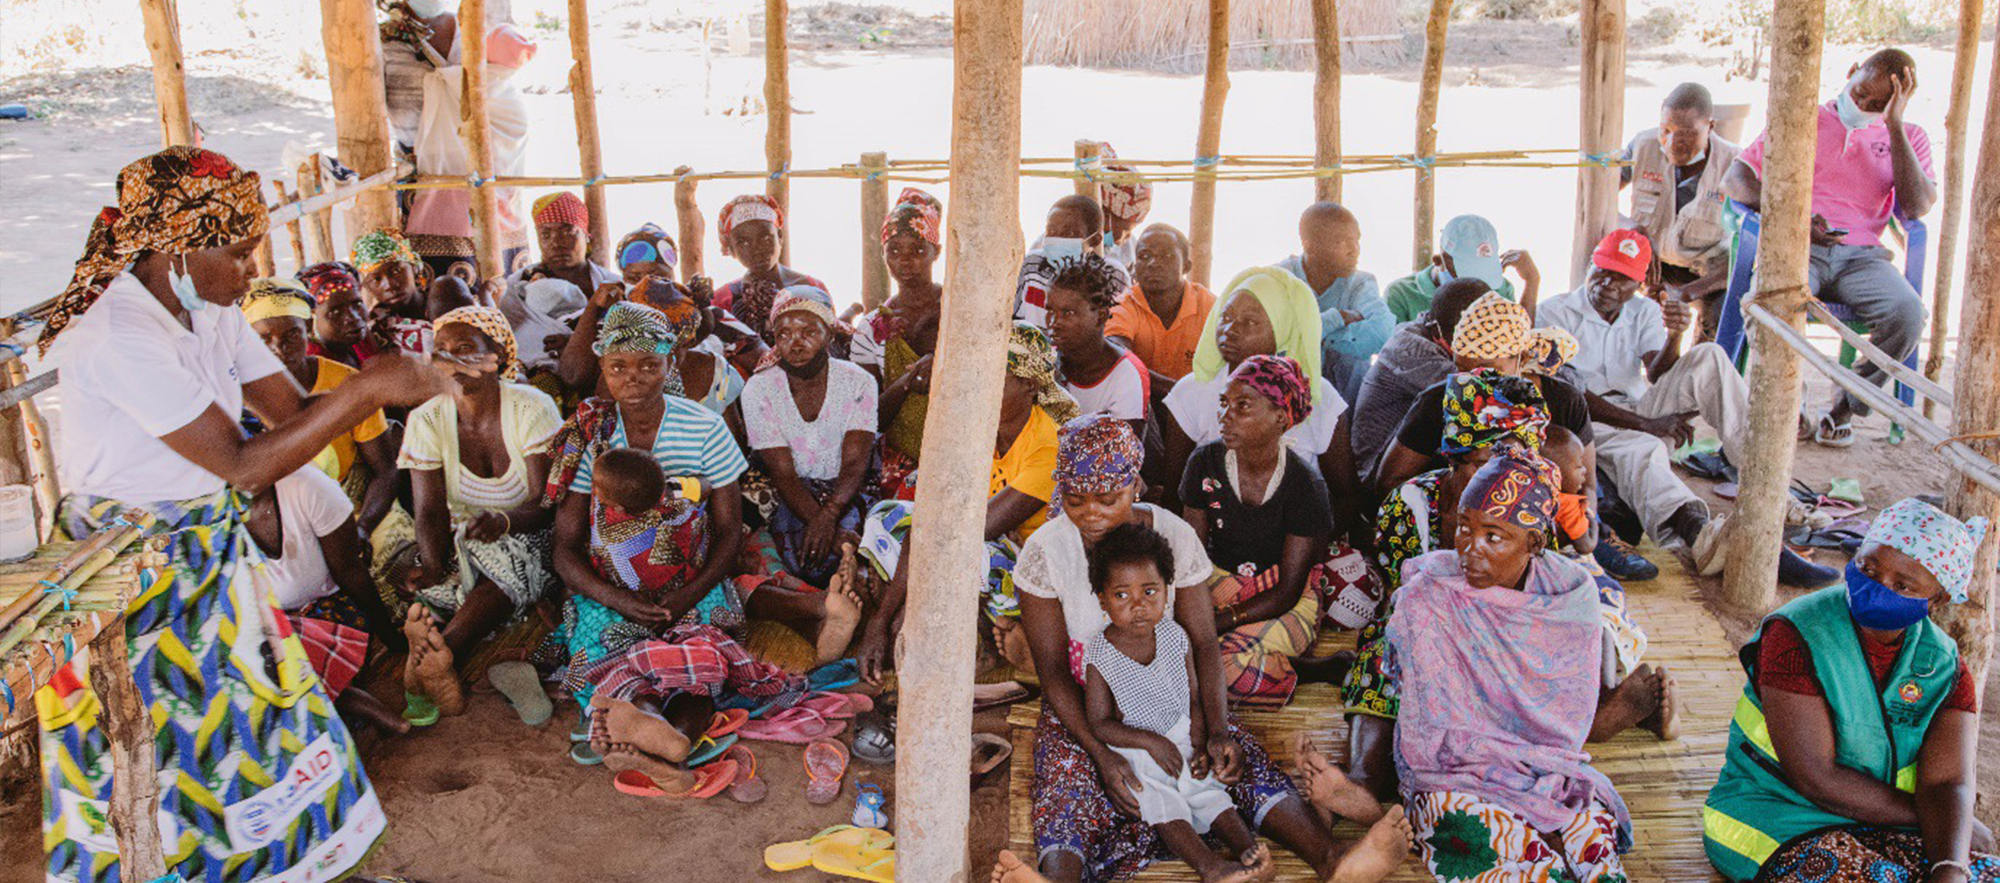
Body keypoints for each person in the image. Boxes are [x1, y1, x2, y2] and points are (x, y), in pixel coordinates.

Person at [37, 146, 447, 882]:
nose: (252, 274)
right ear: (178, 251)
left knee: (257, 726)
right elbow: (243, 462)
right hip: (129, 570)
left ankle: (297, 866)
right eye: (237, 253)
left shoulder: (207, 309)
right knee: (154, 756)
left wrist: (407, 385)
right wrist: (368, 391)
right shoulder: (118, 336)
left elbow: (289, 414)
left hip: (205, 549)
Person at [996, 414, 1409, 883]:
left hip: (1175, 699)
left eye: (1108, 498)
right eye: (1074, 499)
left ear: (1135, 486)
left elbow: (1204, 645)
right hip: (1088, 703)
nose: (1091, 513)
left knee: (1236, 762)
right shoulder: (1046, 552)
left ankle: (1332, 860)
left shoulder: (1173, 535)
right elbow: (1052, 674)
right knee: (1070, 781)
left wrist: (1215, 729)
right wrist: (1102, 752)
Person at [1705, 498, 1998, 883]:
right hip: (1777, 817)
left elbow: (1947, 782)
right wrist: (1935, 819)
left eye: (1902, 585)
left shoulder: (1943, 664)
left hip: (1883, 821)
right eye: (1868, 567)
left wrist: (1950, 867)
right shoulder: (1797, 633)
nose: (1877, 588)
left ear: (1938, 599)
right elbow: (1816, 777)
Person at [1385, 448, 1633, 881]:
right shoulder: (1428, 597)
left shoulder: (1570, 599)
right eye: (1464, 528)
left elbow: (1567, 719)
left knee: (1589, 826)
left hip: (1547, 768)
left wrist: (1531, 774)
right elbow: (1429, 729)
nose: (1470, 549)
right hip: (1453, 776)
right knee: (1468, 828)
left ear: (1534, 544)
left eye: (1493, 537)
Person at [1538, 231, 1838, 587]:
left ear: (1639, 282)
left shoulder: (1644, 310)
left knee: (1709, 356)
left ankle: (1768, 483)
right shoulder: (1554, 312)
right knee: (1644, 448)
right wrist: (1649, 424)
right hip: (1584, 422)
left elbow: (1659, 373)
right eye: (1602, 270)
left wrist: (1676, 334)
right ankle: (1703, 535)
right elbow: (1570, 394)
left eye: (1622, 278)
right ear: (1590, 266)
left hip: (1635, 406)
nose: (1607, 284)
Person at [1724, 48, 1936, 448]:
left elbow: (1917, 206)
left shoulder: (1910, 138)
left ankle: (1846, 405)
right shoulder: (1806, 120)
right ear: (1852, 72)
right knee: (1769, 302)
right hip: (1800, 249)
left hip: (1863, 259)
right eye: (1859, 95)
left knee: (1908, 315)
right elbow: (1737, 179)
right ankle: (1790, 400)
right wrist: (1796, 222)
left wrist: (1894, 125)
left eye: (1877, 105)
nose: (1863, 107)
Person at [856, 321, 1076, 683]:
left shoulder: (1048, 444)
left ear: (1029, 385)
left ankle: (987, 631)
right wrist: (884, 621)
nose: (982, 388)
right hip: (976, 546)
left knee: (964, 549)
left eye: (997, 378)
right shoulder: (978, 428)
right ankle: (955, 625)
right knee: (886, 515)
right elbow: (937, 518)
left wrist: (898, 612)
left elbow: (967, 532)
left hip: (1036, 566)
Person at [1081, 522, 1274, 883]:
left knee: (1209, 791)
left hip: (1181, 738)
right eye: (1122, 595)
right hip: (1136, 750)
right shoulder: (1101, 655)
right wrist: (1150, 742)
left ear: (1168, 592)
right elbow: (1100, 722)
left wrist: (1201, 743)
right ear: (1102, 600)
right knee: (1163, 805)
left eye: (1150, 591)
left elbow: (1194, 698)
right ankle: (1210, 867)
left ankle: (1250, 852)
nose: (1138, 605)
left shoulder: (1175, 635)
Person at [399, 305, 562, 719]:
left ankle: (444, 652)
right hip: (465, 539)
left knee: (503, 559)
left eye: (467, 349)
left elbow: (547, 504)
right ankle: (433, 648)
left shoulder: (530, 407)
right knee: (423, 576)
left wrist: (502, 522)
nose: (452, 361)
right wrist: (433, 563)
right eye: (442, 350)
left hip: (533, 535)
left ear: (499, 357)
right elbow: (430, 510)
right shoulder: (427, 418)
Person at [1178, 355, 1344, 708]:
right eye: (1224, 403)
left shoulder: (1304, 485)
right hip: (1218, 580)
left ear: (1280, 418)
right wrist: (1197, 617)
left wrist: (1217, 624)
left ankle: (1306, 669)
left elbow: (1287, 590)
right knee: (1165, 649)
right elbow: (1190, 559)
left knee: (1223, 670)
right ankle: (1263, 657)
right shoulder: (1204, 463)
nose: (1226, 416)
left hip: (1278, 594)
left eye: (1243, 406)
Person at [247, 467, 410, 735]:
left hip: (329, 616)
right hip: (270, 628)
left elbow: (350, 571)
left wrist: (391, 638)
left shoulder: (306, 487)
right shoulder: (213, 521)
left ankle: (358, 705)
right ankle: (351, 702)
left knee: (279, 661)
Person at [1162, 267, 1346, 495]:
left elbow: (1346, 495)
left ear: (1280, 330)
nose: (1229, 330)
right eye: (1226, 317)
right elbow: (1174, 493)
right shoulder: (1191, 392)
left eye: (1249, 322)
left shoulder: (1319, 398)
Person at [240, 277, 400, 534]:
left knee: (399, 561)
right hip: (280, 519)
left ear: (306, 327)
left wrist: (362, 529)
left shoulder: (345, 383)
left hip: (351, 503)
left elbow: (385, 471)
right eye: (264, 339)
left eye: (291, 333)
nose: (279, 348)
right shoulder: (240, 397)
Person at [742, 287, 877, 584]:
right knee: (797, 558)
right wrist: (825, 524)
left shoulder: (858, 383)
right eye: (784, 335)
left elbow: (855, 463)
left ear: (828, 333)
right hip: (782, 491)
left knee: (864, 539)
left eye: (808, 333)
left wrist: (828, 516)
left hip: (846, 488)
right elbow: (782, 472)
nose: (796, 344)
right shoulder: (759, 388)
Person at [390, 1, 536, 274]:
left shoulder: (476, 34)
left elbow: (498, 94)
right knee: (439, 284)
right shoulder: (385, 43)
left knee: (499, 276)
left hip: (488, 168)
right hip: (423, 175)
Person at [1621, 83, 1743, 341]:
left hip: (1704, 274)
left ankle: (1700, 371)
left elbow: (1747, 252)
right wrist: (1632, 229)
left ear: (1710, 126)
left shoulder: (1734, 165)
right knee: (1600, 277)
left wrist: (1686, 293)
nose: (1673, 143)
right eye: (1666, 130)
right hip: (1649, 263)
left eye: (1687, 134)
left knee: (1725, 314)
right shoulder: (1642, 145)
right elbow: (1600, 201)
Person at [1343, 278, 1491, 484]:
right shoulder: (1411, 350)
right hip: (1381, 474)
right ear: (1442, 330)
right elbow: (1487, 395)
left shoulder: (1434, 329)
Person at [853, 188, 945, 498]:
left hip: (961, 446)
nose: (904, 261)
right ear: (883, 254)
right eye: (894, 251)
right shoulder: (870, 330)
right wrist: (907, 381)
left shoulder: (961, 313)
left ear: (937, 251)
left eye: (917, 250)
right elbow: (868, 416)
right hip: (897, 462)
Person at [1275, 202, 1393, 404]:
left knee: (1351, 366)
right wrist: (1337, 317)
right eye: (1341, 242)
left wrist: (1316, 338)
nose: (1354, 250)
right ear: (1310, 246)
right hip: (1286, 398)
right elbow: (1275, 343)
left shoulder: (1360, 283)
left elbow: (1381, 334)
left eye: (1356, 240)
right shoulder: (1279, 280)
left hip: (1345, 399)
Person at [1107, 223, 1215, 396]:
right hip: (1142, 404)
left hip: (1198, 409)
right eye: (1144, 255)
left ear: (1186, 267)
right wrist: (1179, 395)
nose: (1153, 263)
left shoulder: (1208, 306)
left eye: (1166, 256)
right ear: (1135, 266)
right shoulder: (1123, 305)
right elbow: (1119, 359)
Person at [1047, 255, 1150, 428]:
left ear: (1100, 316)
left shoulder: (1126, 375)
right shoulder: (1046, 362)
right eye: (1050, 310)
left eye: (1068, 313)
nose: (1054, 322)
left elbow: (1122, 451)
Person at [712, 194, 831, 341]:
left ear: (780, 237)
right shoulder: (723, 300)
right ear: (731, 249)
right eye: (744, 243)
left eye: (766, 238)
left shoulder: (813, 288)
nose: (757, 249)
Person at [1382, 214, 1541, 324]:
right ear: (1439, 260)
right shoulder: (1401, 294)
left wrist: (1532, 282)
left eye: (1482, 272)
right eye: (1466, 272)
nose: (1476, 284)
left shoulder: (1501, 289)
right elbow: (1393, 357)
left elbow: (1519, 345)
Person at [1015, 194, 1132, 328]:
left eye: (1069, 233)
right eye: (1051, 230)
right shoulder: (1032, 265)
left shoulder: (1113, 275)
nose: (1056, 238)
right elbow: (1015, 316)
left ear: (1095, 240)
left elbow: (1116, 327)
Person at [502, 191, 619, 323]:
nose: (557, 243)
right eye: (546, 235)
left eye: (568, 232)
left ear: (586, 235)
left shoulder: (613, 286)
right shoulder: (517, 284)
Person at [352, 228, 435, 356]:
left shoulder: (446, 299)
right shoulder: (376, 332)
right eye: (376, 279)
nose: (389, 285)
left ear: (414, 268)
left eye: (396, 271)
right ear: (368, 288)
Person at [300, 260, 382, 367]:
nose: (354, 317)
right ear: (310, 318)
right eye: (335, 312)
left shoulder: (361, 340)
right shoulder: (315, 367)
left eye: (357, 304)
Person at [1095, 141, 1153, 271]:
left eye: (1129, 233)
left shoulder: (1131, 249)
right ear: (1104, 216)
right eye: (1125, 230)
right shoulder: (1064, 242)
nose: (1124, 239)